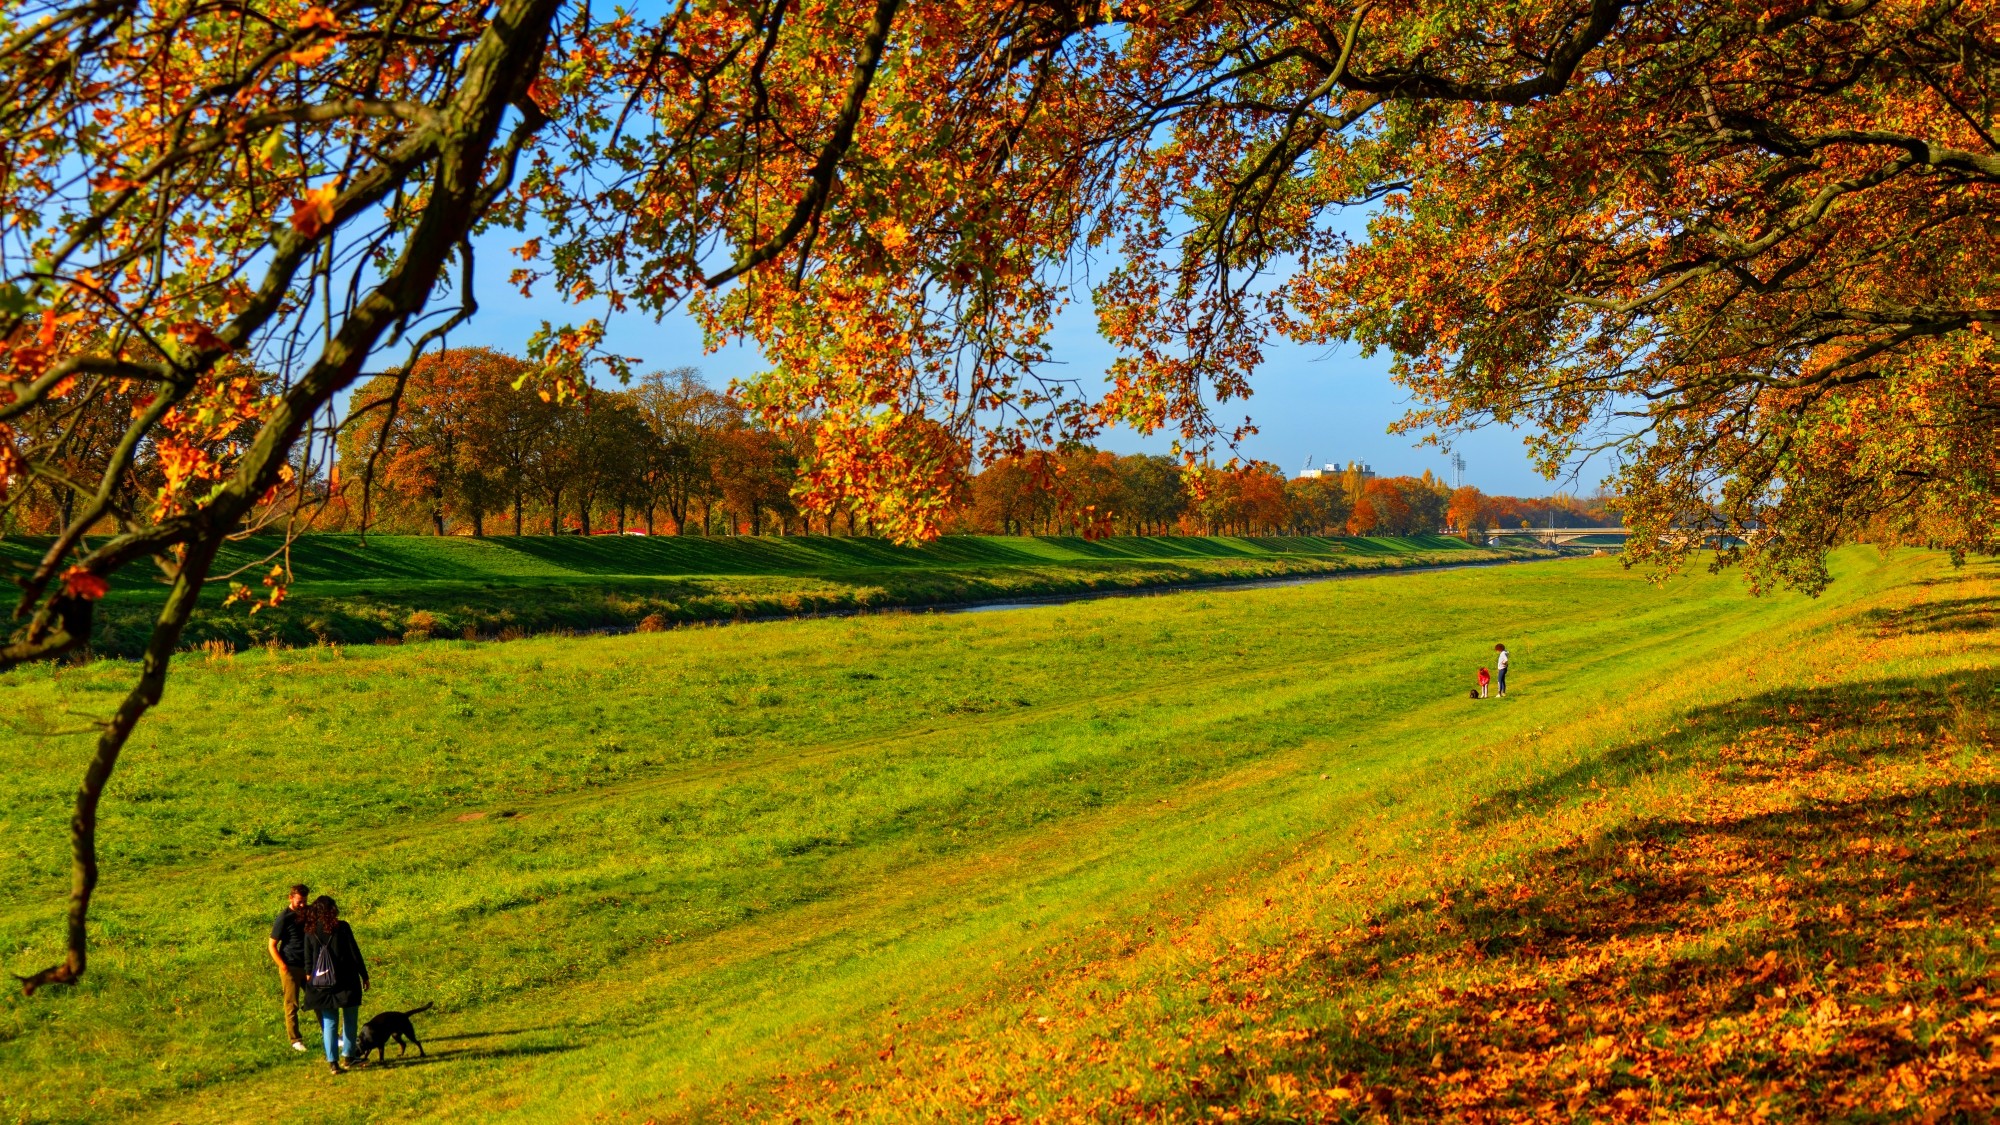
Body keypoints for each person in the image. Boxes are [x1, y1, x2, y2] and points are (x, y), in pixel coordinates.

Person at [297, 895, 370, 1074]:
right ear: (332, 909)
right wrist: (364, 975)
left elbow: (307, 960)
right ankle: (349, 1057)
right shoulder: (342, 927)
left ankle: (333, 1063)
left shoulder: (310, 931)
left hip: (322, 983)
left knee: (329, 1022)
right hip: (347, 981)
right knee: (350, 1020)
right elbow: (355, 952)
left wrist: (310, 978)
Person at [266, 884, 310, 1052]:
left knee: (319, 998)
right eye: (299, 901)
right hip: (290, 966)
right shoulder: (283, 918)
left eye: (305, 901)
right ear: (290, 898)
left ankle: (330, 1033)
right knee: (292, 1004)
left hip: (308, 965)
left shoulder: (307, 912)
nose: (302, 905)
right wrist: (282, 966)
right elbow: (271, 945)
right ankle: (295, 1040)